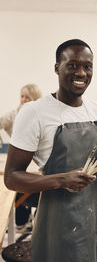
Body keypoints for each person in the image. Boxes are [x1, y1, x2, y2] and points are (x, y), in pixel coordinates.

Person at [4, 39, 97, 262]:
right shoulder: (35, 112)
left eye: (87, 66)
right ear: (57, 68)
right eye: (73, 65)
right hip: (60, 218)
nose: (81, 73)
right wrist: (63, 179)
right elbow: (12, 178)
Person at [0, 84, 42, 232]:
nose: (23, 100)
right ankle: (22, 220)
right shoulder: (13, 115)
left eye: (27, 97)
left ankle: (36, 219)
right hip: (19, 159)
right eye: (22, 96)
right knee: (18, 183)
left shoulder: (40, 115)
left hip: (36, 161)